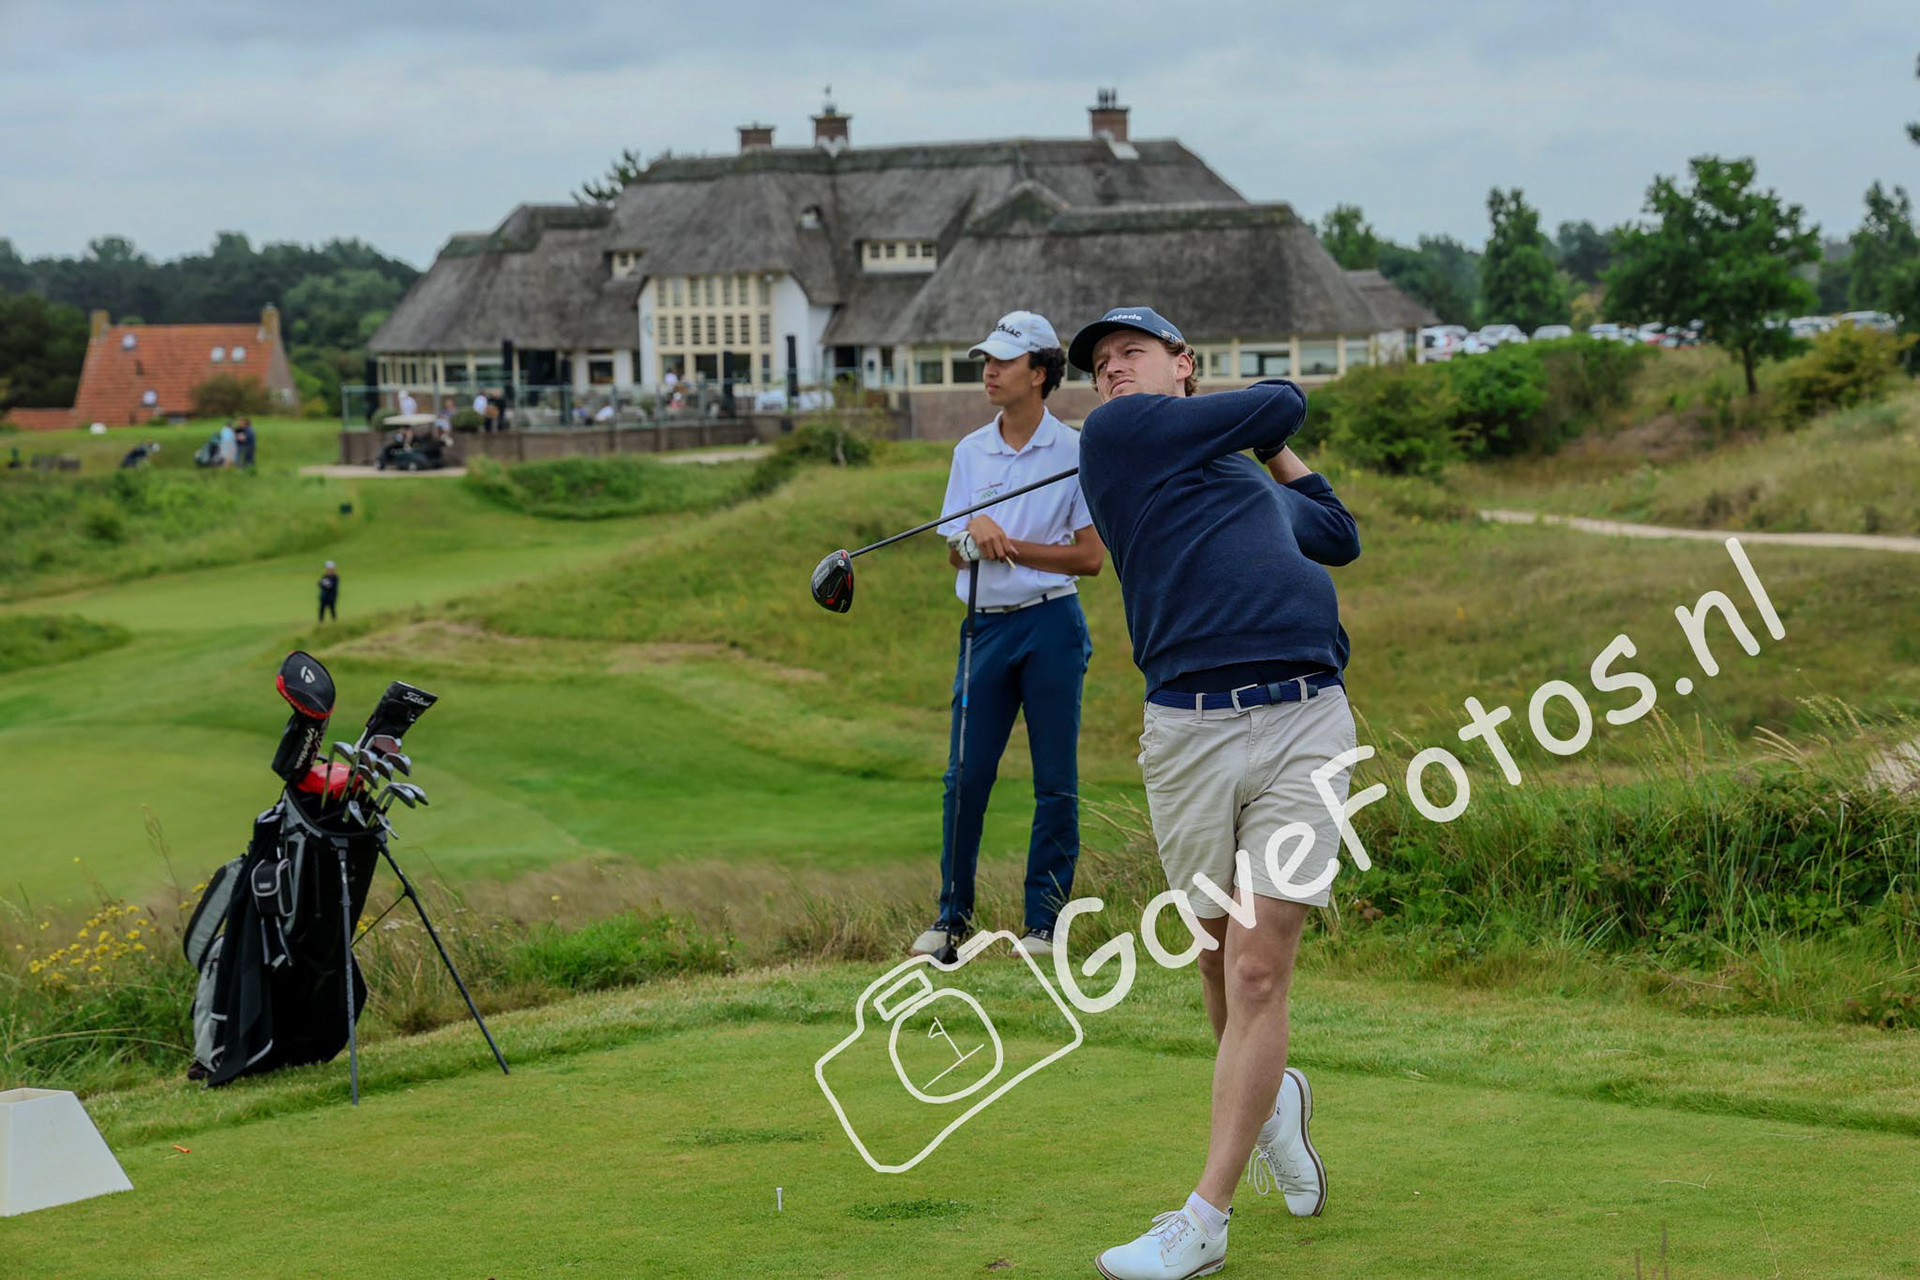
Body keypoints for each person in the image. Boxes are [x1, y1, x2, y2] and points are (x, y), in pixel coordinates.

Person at [1068, 307, 1359, 1280]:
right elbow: (1282, 398)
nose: (1111, 369)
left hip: (1306, 719)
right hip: (1189, 731)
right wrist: (1258, 431)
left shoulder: (1235, 477)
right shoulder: (1117, 438)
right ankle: (1274, 1103)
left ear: (1183, 365)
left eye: (1131, 353)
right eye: (1100, 363)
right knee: (1211, 954)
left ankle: (1205, 1219)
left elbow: (1337, 532)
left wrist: (1261, 456)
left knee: (1257, 970)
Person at [912, 311, 1105, 962]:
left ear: (1041, 372)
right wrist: (973, 535)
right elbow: (955, 551)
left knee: (1055, 780)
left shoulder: (1074, 451)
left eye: (1003, 361)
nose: (989, 372)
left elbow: (1090, 558)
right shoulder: (970, 452)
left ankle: (1043, 925)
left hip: (1051, 624)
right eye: (986, 362)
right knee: (964, 778)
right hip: (984, 628)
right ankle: (951, 920)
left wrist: (1011, 545)